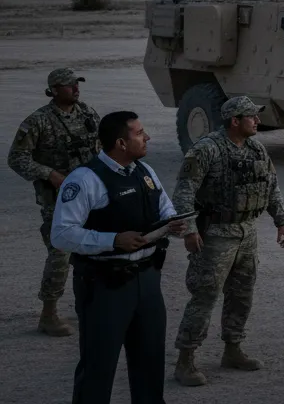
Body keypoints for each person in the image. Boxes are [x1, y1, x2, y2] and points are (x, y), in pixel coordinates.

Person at [50, 110, 187, 403]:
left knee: (150, 362)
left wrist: (174, 224)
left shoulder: (145, 172)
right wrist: (113, 240)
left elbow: (165, 209)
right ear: (120, 143)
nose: (146, 137)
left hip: (147, 281)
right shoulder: (85, 179)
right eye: (139, 133)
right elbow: (61, 234)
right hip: (105, 285)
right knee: (99, 366)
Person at [170, 95, 284, 386]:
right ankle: (185, 360)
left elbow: (271, 185)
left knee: (241, 294)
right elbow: (184, 191)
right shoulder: (206, 150)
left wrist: (281, 220)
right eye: (252, 117)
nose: (258, 121)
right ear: (235, 121)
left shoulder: (256, 148)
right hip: (214, 234)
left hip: (246, 231)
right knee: (205, 296)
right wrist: (189, 230)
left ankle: (233, 349)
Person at [7, 67, 102, 336]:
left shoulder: (88, 114)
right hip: (58, 199)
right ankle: (49, 313)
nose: (76, 88)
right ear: (54, 90)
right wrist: (50, 174)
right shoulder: (38, 121)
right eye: (69, 85)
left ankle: (88, 305)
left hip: (90, 194)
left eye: (76, 84)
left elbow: (100, 148)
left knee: (93, 250)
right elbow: (17, 158)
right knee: (60, 253)